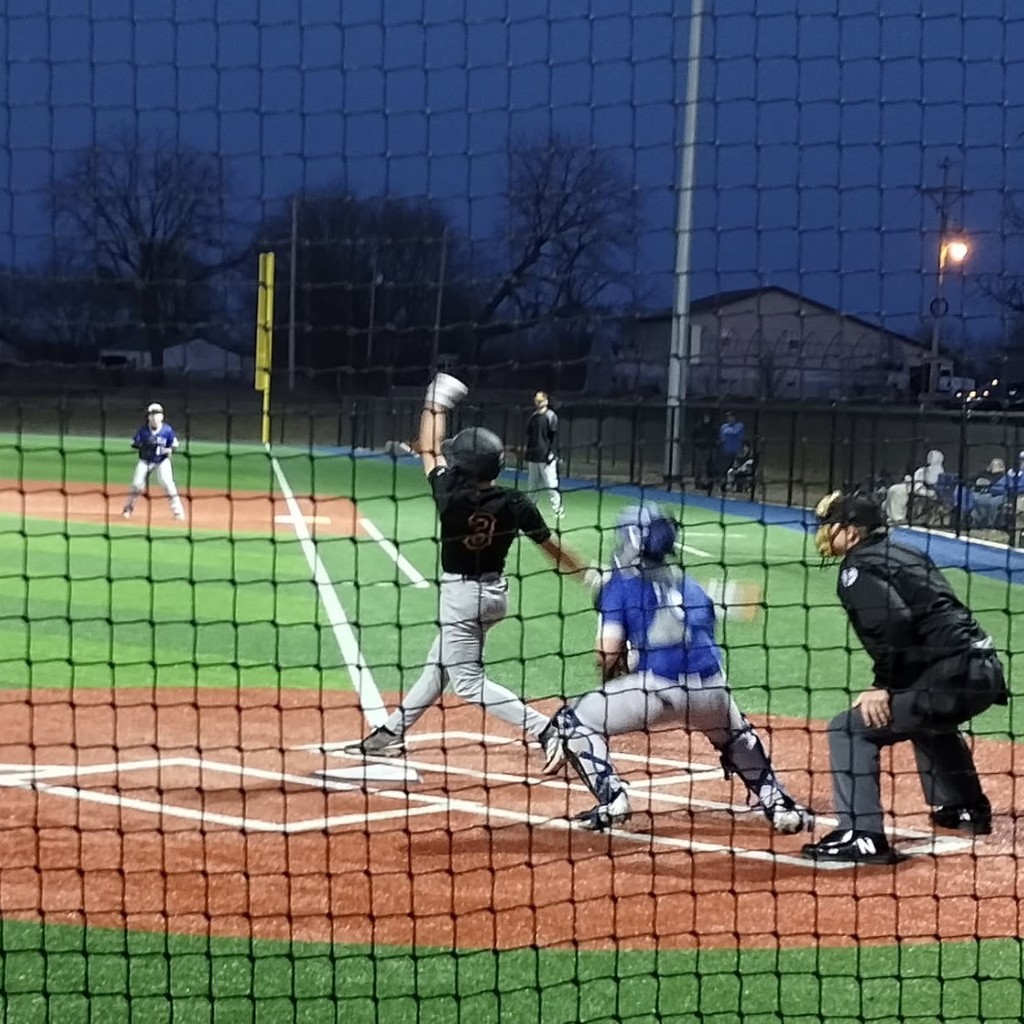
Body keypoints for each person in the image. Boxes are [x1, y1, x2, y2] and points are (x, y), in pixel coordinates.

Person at [343, 374, 592, 764]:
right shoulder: (516, 502)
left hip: (462, 599)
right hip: (494, 596)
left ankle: (547, 730)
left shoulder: (450, 496)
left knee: (469, 684)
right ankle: (390, 733)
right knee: (438, 667)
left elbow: (429, 447)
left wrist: (436, 404)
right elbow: (553, 549)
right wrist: (588, 575)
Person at [540, 503, 813, 834]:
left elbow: (606, 652)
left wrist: (621, 665)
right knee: (736, 736)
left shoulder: (621, 584)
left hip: (659, 690)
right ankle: (780, 805)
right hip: (713, 688)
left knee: (571, 721)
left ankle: (612, 799)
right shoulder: (687, 582)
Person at [802, 491, 1008, 865]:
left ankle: (863, 835)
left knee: (848, 729)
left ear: (852, 531)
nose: (823, 533)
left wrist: (883, 685)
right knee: (925, 715)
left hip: (952, 674)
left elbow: (895, 623)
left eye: (830, 525)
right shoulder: (904, 551)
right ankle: (965, 807)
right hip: (982, 671)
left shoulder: (857, 567)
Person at [122, 403, 185, 520]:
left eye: (157, 414)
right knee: (136, 484)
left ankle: (178, 512)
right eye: (151, 415)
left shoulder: (167, 430)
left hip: (162, 461)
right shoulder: (143, 431)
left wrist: (168, 450)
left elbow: (174, 445)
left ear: (162, 416)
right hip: (145, 461)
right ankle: (128, 509)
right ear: (148, 417)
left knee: (168, 484)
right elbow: (134, 444)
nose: (154, 417)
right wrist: (144, 445)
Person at [524, 391, 563, 520]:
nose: (538, 403)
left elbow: (553, 437)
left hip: (546, 456)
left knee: (551, 484)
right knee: (532, 485)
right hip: (533, 455)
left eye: (540, 400)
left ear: (546, 401)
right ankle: (530, 508)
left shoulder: (551, 416)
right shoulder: (533, 416)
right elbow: (530, 436)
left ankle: (558, 510)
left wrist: (552, 454)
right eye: (536, 400)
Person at [883, 449, 944, 524]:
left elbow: (931, 484)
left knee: (897, 491)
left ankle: (898, 518)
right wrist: (909, 480)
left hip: (923, 489)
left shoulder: (939, 471)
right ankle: (895, 517)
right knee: (893, 489)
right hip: (914, 487)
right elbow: (916, 480)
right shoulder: (923, 470)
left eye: (933, 457)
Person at [970, 457, 1007, 529]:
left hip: (996, 495)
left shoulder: (1002, 476)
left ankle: (989, 523)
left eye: (995, 465)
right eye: (992, 464)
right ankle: (977, 521)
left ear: (1001, 467)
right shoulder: (984, 473)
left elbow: (1000, 487)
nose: (993, 466)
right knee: (976, 498)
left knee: (991, 502)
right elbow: (973, 480)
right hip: (980, 492)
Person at [716, 411, 745, 489]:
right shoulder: (723, 427)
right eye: (728, 417)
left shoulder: (740, 426)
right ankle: (725, 485)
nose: (730, 418)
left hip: (736, 452)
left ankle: (738, 486)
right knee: (725, 469)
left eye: (732, 417)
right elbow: (722, 437)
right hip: (725, 451)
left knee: (736, 469)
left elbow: (737, 434)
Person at [691, 413, 716, 491]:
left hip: (708, 449)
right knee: (698, 467)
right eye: (705, 417)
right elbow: (693, 438)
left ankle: (706, 484)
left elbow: (714, 437)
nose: (706, 419)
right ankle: (697, 483)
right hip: (699, 449)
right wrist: (697, 444)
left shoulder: (711, 428)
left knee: (706, 467)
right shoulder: (698, 427)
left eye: (708, 418)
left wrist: (711, 444)